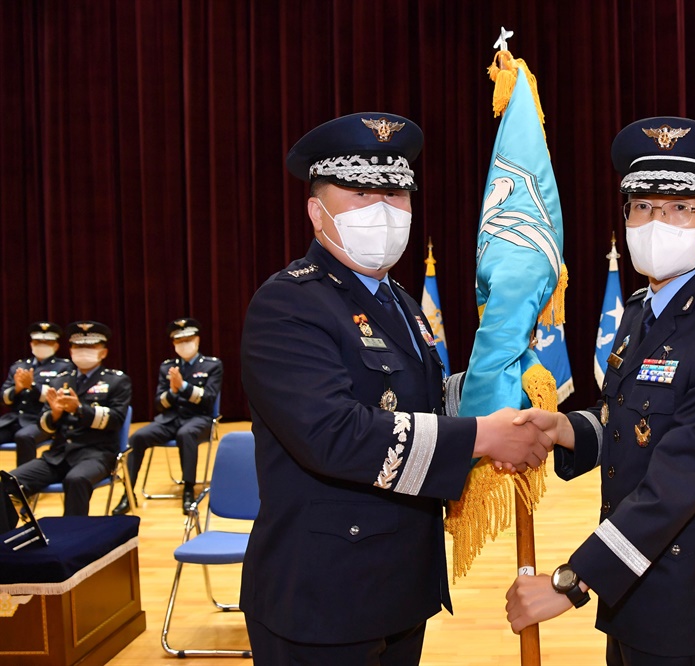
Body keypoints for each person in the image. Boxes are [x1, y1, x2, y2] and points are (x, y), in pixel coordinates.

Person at [240, 112, 553, 665]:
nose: (384, 210)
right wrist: (483, 435)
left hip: (400, 585)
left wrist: (497, 383)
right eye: (361, 193)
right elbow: (334, 434)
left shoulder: (399, 301)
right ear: (317, 211)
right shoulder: (289, 303)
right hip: (323, 596)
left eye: (397, 195)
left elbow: (414, 401)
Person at [505, 116, 695, 665]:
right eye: (643, 207)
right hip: (630, 595)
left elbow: (679, 479)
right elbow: (625, 419)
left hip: (687, 604)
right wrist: (565, 428)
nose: (657, 222)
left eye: (680, 208)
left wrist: (571, 582)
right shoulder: (638, 312)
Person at [2, 321, 132, 516]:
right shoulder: (60, 380)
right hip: (58, 455)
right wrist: (54, 415)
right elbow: (44, 427)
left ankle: (74, 541)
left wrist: (79, 409)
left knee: (76, 480)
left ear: (103, 352)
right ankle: (9, 539)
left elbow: (115, 420)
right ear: (70, 350)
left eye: (90, 347)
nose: (83, 351)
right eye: (78, 347)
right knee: (8, 482)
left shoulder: (117, 381)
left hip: (97, 454)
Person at [112, 318, 223, 515]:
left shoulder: (212, 366)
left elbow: (208, 400)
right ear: (173, 344)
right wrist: (172, 392)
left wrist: (184, 387)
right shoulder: (167, 367)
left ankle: (188, 490)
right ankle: (128, 494)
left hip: (199, 419)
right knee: (137, 437)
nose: (184, 345)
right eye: (179, 341)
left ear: (197, 340)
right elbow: (159, 404)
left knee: (185, 434)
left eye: (187, 340)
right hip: (170, 419)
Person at [0, 322, 74, 465]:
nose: (42, 345)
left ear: (56, 346)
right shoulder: (19, 365)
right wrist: (17, 388)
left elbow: (58, 398)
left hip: (40, 420)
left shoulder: (65, 367)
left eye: (47, 342)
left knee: (24, 437)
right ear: (31, 344)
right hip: (14, 419)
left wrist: (32, 386)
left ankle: (21, 483)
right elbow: (3, 398)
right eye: (38, 341)